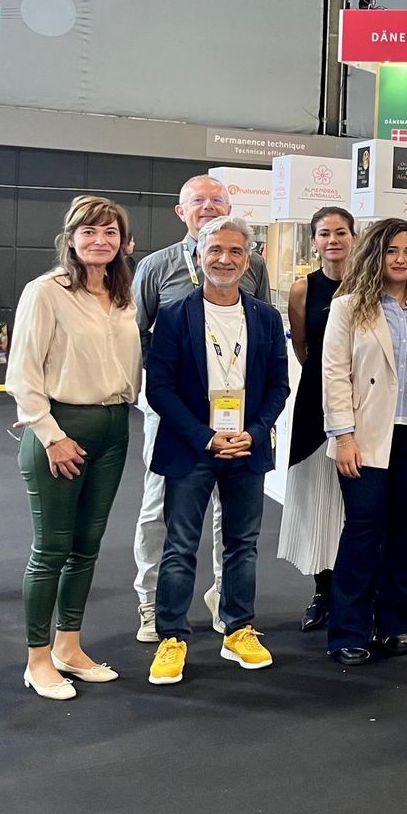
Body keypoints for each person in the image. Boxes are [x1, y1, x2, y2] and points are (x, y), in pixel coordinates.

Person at [144, 216, 289, 686]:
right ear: (199, 255)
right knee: (180, 545)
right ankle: (172, 636)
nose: (225, 259)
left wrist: (256, 431)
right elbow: (159, 388)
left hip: (246, 446)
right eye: (215, 250)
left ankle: (238, 628)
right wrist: (204, 436)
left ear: (248, 261)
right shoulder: (174, 315)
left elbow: (279, 386)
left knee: (243, 545)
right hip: (191, 447)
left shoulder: (266, 317)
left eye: (235, 252)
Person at [6, 196, 141, 700]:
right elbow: (23, 372)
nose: (100, 241)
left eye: (110, 232)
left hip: (114, 426)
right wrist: (51, 435)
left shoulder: (123, 296)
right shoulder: (46, 291)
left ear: (123, 242)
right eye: (89, 232)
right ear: (71, 238)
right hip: (61, 429)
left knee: (87, 546)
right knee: (52, 549)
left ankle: (69, 646)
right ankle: (37, 658)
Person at [131, 175, 271, 643]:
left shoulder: (252, 266)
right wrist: (171, 395)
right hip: (175, 413)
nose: (208, 206)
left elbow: (259, 334)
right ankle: (152, 602)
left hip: (238, 417)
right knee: (161, 509)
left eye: (217, 199)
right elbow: (137, 336)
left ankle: (225, 601)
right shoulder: (155, 266)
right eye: (198, 201)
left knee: (230, 520)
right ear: (181, 211)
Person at [321, 218, 407, 666]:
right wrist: (343, 436)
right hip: (367, 435)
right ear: (376, 254)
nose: (401, 259)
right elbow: (334, 374)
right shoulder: (348, 307)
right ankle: (348, 630)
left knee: (404, 531)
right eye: (392, 250)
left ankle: (394, 624)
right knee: (363, 530)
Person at [279, 207, 357, 631]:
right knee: (318, 500)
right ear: (314, 241)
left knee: (356, 502)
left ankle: (356, 590)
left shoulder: (369, 283)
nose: (333, 240)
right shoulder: (302, 289)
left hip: (362, 401)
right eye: (324, 233)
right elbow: (303, 348)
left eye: (341, 232)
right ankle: (323, 590)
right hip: (315, 400)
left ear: (354, 237)